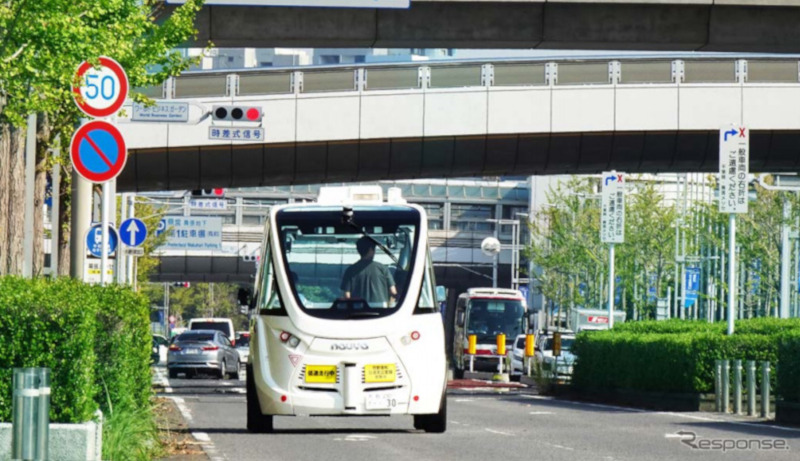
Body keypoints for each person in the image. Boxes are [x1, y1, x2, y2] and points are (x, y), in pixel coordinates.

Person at [341, 236, 397, 306]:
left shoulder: (350, 270)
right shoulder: (383, 268)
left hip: (358, 312)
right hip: (381, 312)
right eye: (374, 249)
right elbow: (393, 292)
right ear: (371, 250)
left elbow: (347, 295)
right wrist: (389, 306)